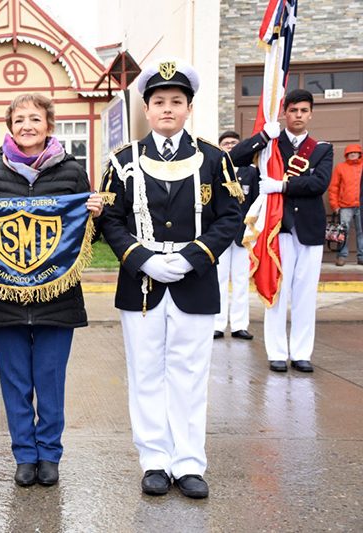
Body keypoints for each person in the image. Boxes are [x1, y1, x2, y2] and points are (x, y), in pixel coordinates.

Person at [99, 58, 243, 499]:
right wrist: (140, 257)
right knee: (145, 374)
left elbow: (230, 216)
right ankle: (155, 461)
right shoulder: (123, 160)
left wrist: (192, 257)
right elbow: (110, 218)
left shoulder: (214, 159)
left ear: (188, 107)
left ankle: (189, 462)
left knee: (189, 374)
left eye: (176, 101)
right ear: (146, 107)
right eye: (158, 101)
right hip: (140, 285)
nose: (167, 109)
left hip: (194, 283)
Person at [0, 93, 103, 487]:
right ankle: (24, 454)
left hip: (56, 293)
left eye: (35, 118)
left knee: (50, 377)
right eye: (19, 120)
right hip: (4, 293)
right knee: (14, 379)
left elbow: (87, 236)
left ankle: (49, 454)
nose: (27, 126)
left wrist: (96, 213)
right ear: (9, 126)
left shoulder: (72, 172)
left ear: (49, 125)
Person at [230, 89, 333, 373]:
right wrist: (263, 136)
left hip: (309, 229)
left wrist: (283, 186)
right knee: (277, 292)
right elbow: (234, 158)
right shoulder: (272, 143)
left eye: (303, 111)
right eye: (293, 110)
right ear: (285, 113)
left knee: (305, 294)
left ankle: (301, 353)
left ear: (310, 114)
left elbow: (319, 184)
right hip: (279, 228)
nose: (298, 115)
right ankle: (276, 351)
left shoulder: (322, 148)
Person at [213, 131, 258, 340]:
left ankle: (240, 325)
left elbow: (257, 202)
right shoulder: (215, 171)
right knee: (219, 280)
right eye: (225, 143)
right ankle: (218, 324)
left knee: (241, 281)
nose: (230, 146)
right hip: (220, 235)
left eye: (234, 143)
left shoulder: (251, 172)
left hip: (243, 235)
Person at [328, 143, 362, 266]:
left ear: (359, 153)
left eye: (355, 152)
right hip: (345, 206)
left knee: (361, 232)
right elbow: (334, 188)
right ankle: (342, 256)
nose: (352, 154)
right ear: (346, 155)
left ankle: (361, 257)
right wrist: (335, 205)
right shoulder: (340, 167)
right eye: (349, 153)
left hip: (361, 206)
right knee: (343, 232)